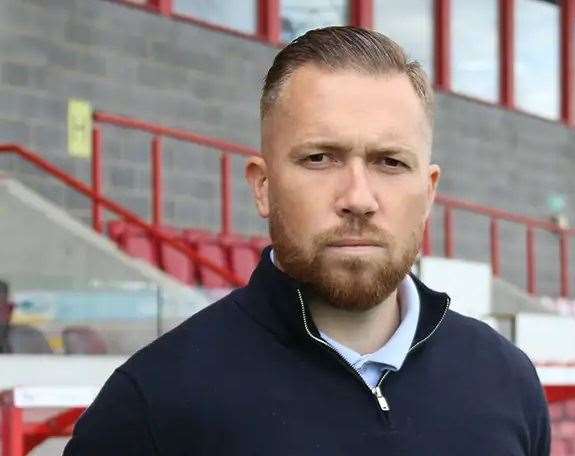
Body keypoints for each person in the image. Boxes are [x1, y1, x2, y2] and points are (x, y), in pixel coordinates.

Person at [64, 26, 550, 455]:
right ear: (263, 186)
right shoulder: (153, 402)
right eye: (320, 158)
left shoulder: (506, 380)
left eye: (390, 162)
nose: (358, 198)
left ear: (428, 192)